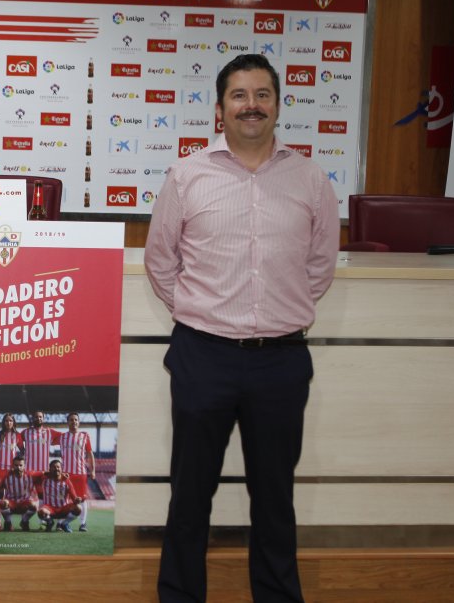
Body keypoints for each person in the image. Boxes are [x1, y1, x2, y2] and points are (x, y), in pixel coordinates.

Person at [143, 53, 338, 603]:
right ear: (220, 108)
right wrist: (201, 314)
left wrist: (278, 309)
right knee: (190, 496)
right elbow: (161, 262)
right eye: (239, 95)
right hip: (202, 357)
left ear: (278, 104)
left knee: (275, 498)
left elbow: (320, 266)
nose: (251, 105)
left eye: (262, 94)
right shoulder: (188, 175)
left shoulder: (310, 179)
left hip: (281, 360)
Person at [57, 412, 96, 532]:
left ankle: (83, 524)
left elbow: (90, 454)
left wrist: (93, 470)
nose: (74, 422)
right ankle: (59, 523)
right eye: (71, 420)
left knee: (82, 499)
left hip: (80, 473)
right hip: (65, 474)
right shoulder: (62, 437)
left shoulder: (84, 436)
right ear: (67, 422)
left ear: (79, 422)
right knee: (63, 498)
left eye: (76, 420)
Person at [36, 460, 81, 533]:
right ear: (50, 469)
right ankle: (49, 522)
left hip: (63, 509)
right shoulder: (44, 479)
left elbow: (74, 498)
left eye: (58, 467)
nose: (56, 468)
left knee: (78, 508)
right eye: (53, 467)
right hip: (50, 509)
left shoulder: (66, 481)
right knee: (41, 512)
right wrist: (47, 472)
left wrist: (77, 500)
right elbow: (37, 474)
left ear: (61, 468)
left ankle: (65, 524)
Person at [0, 455, 38, 532]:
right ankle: (8, 522)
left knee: (34, 505)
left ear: (24, 466)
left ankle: (24, 521)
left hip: (24, 504)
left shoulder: (31, 475)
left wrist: (61, 475)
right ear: (12, 466)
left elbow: (45, 474)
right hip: (11, 504)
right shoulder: (6, 476)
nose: (18, 467)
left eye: (20, 465)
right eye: (16, 465)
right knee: (3, 503)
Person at [21, 410, 58, 483]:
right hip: (29, 471)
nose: (38, 418)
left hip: (44, 471)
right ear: (32, 418)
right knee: (28, 494)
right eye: (36, 417)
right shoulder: (25, 432)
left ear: (43, 418)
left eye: (40, 417)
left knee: (42, 494)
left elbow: (65, 437)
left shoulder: (49, 432)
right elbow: (16, 438)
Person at [0, 413, 23, 488]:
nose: (8, 423)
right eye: (6, 421)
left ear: (13, 422)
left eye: (11, 421)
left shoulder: (17, 435)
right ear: (3, 422)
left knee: (12, 490)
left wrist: (18, 463)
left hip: (11, 469)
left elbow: (22, 451)